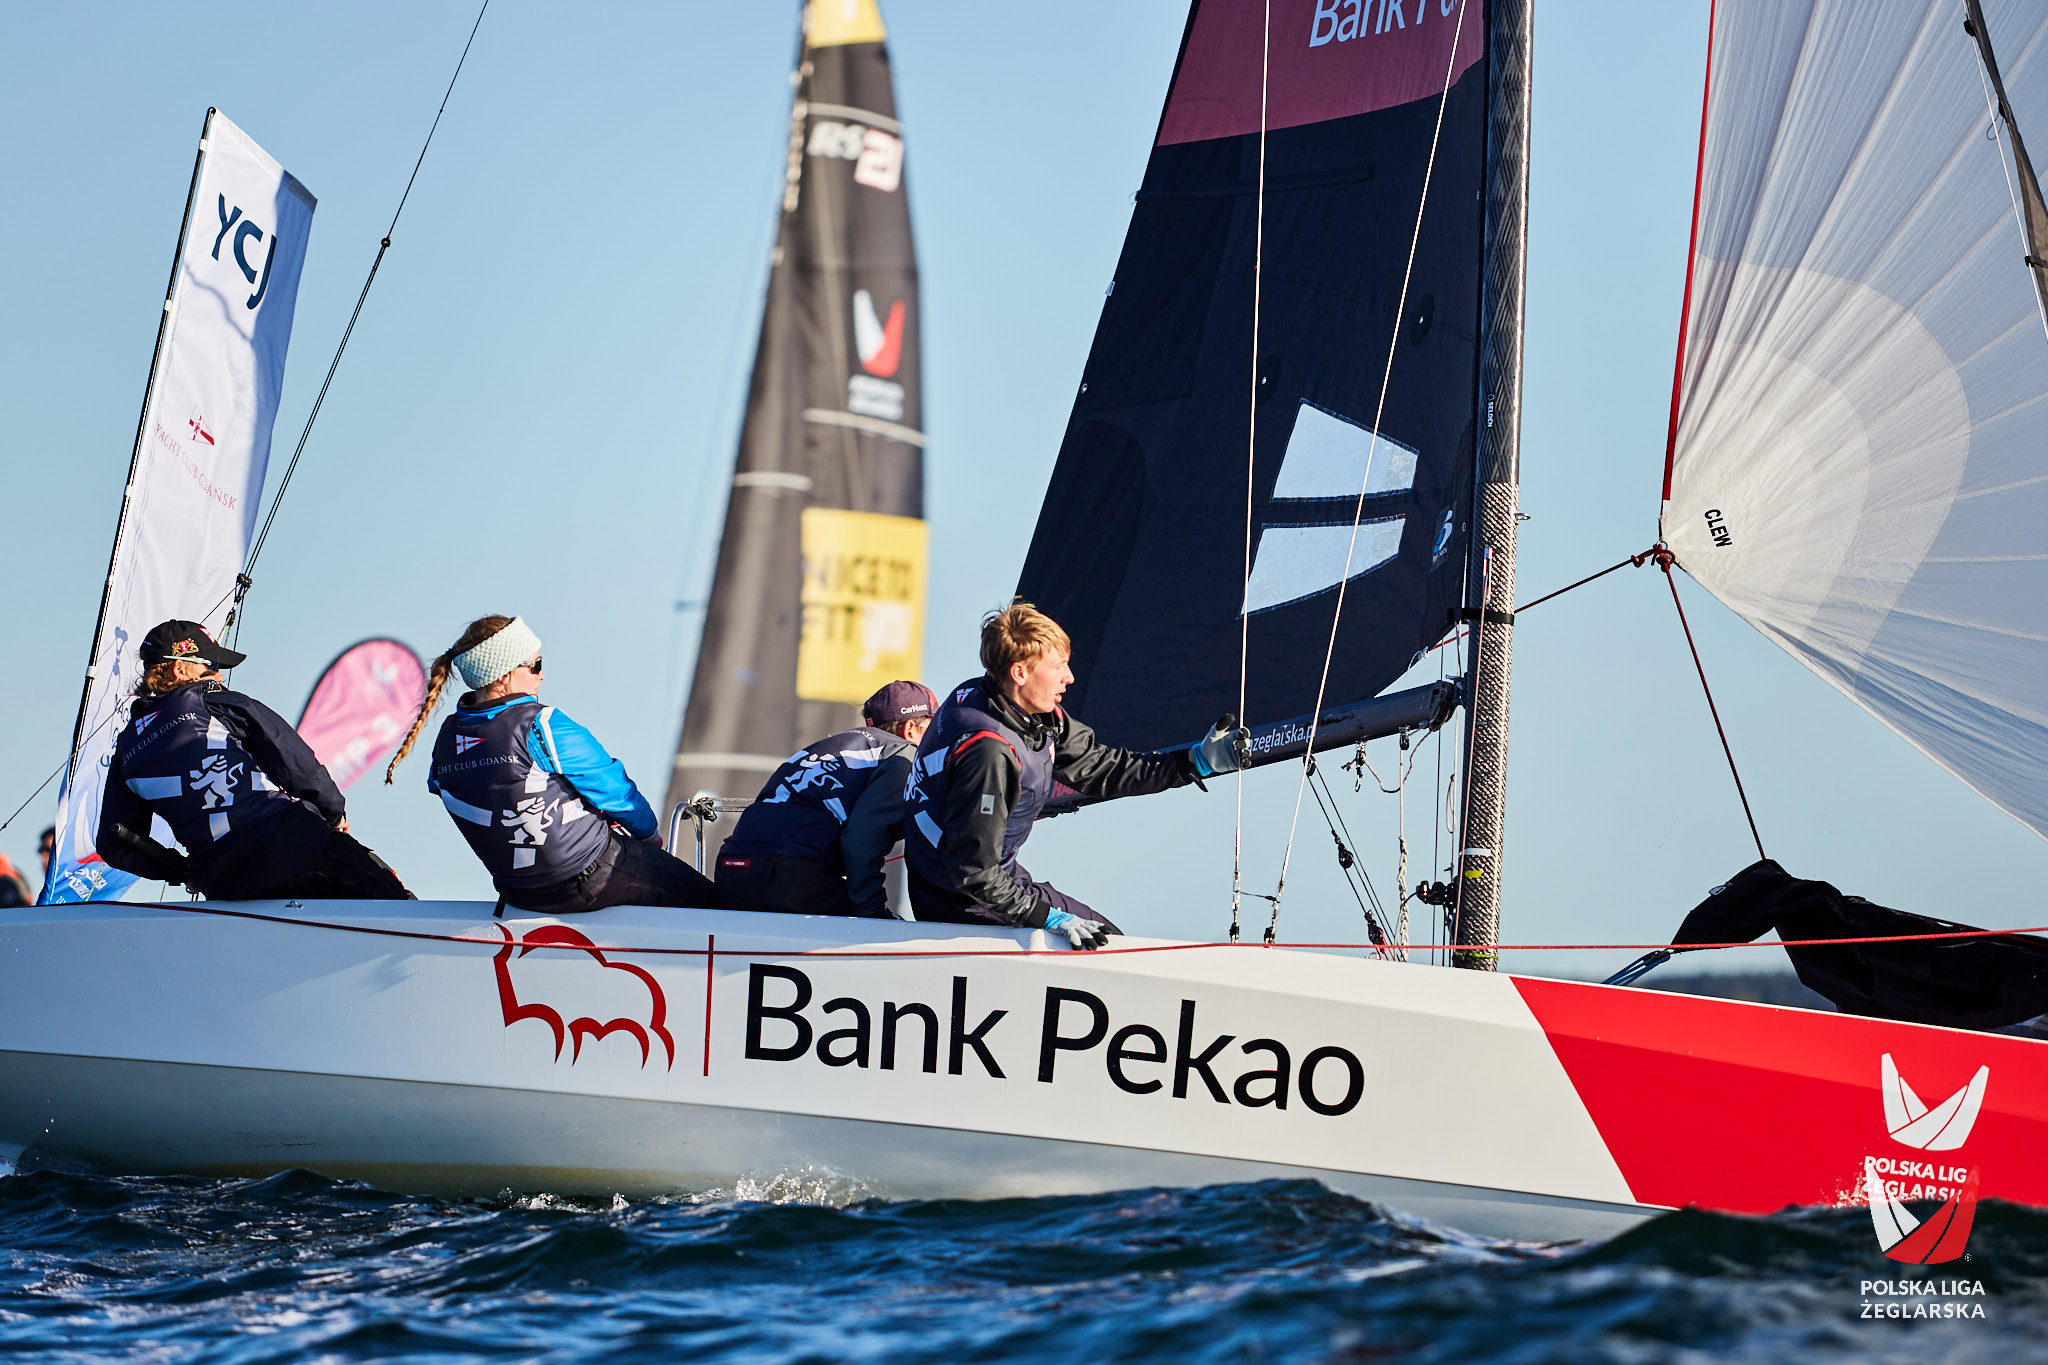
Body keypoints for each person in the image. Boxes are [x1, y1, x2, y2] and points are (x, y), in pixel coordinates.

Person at [905, 599, 1249, 949]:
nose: (1069, 677)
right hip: (960, 901)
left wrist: (1192, 762)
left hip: (992, 881)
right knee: (1106, 949)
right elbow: (974, 872)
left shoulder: (1018, 707)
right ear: (1019, 673)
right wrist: (1047, 917)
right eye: (1058, 667)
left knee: (1114, 941)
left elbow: (1102, 768)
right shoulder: (989, 753)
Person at [387, 614, 719, 914]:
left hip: (519, 896)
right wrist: (650, 837)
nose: (542, 675)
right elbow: (613, 789)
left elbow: (467, 790)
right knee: (714, 905)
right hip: (588, 877)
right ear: (504, 677)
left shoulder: (446, 740)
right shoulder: (541, 724)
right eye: (535, 665)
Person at [97, 620, 412, 900]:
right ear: (179, 669)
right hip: (292, 843)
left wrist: (181, 870)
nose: (218, 674)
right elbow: (295, 762)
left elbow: (115, 842)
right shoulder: (215, 701)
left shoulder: (125, 750)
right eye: (209, 665)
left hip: (224, 883)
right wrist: (333, 813)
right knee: (396, 904)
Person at [715, 680, 937, 918]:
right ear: (910, 729)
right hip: (789, 872)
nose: (936, 741)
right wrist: (873, 913)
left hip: (731, 870)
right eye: (933, 729)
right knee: (890, 930)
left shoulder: (822, 748)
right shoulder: (903, 755)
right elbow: (862, 837)